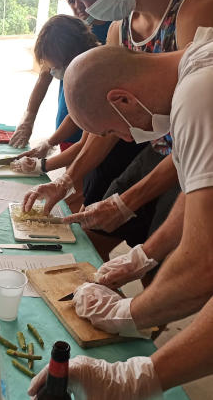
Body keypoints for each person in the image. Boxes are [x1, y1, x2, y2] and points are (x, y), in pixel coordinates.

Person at [30, 29, 213, 399]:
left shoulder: (197, 97)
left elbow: (202, 266)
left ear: (123, 99)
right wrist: (144, 255)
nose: (127, 140)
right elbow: (199, 191)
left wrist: (128, 315)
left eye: (114, 129)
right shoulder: (197, 70)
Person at [23, 0, 213, 261]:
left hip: (194, 158)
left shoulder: (198, 5)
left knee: (161, 261)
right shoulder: (119, 27)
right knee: (96, 228)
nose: (86, 9)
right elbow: (110, 125)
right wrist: (66, 181)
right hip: (157, 151)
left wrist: (128, 202)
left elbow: (199, 134)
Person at [11, 13, 144, 210]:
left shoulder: (99, 77)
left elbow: (85, 145)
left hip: (118, 159)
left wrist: (44, 166)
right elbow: (75, 116)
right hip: (103, 158)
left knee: (93, 210)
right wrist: (49, 143)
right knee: (79, 201)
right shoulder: (87, 69)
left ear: (73, 58)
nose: (54, 72)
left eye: (56, 67)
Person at [9, 0, 91, 151]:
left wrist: (49, 146)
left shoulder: (92, 66)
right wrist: (29, 118)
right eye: (71, 0)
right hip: (67, 124)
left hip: (90, 130)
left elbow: (88, 149)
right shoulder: (61, 33)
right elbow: (44, 75)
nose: (77, 6)